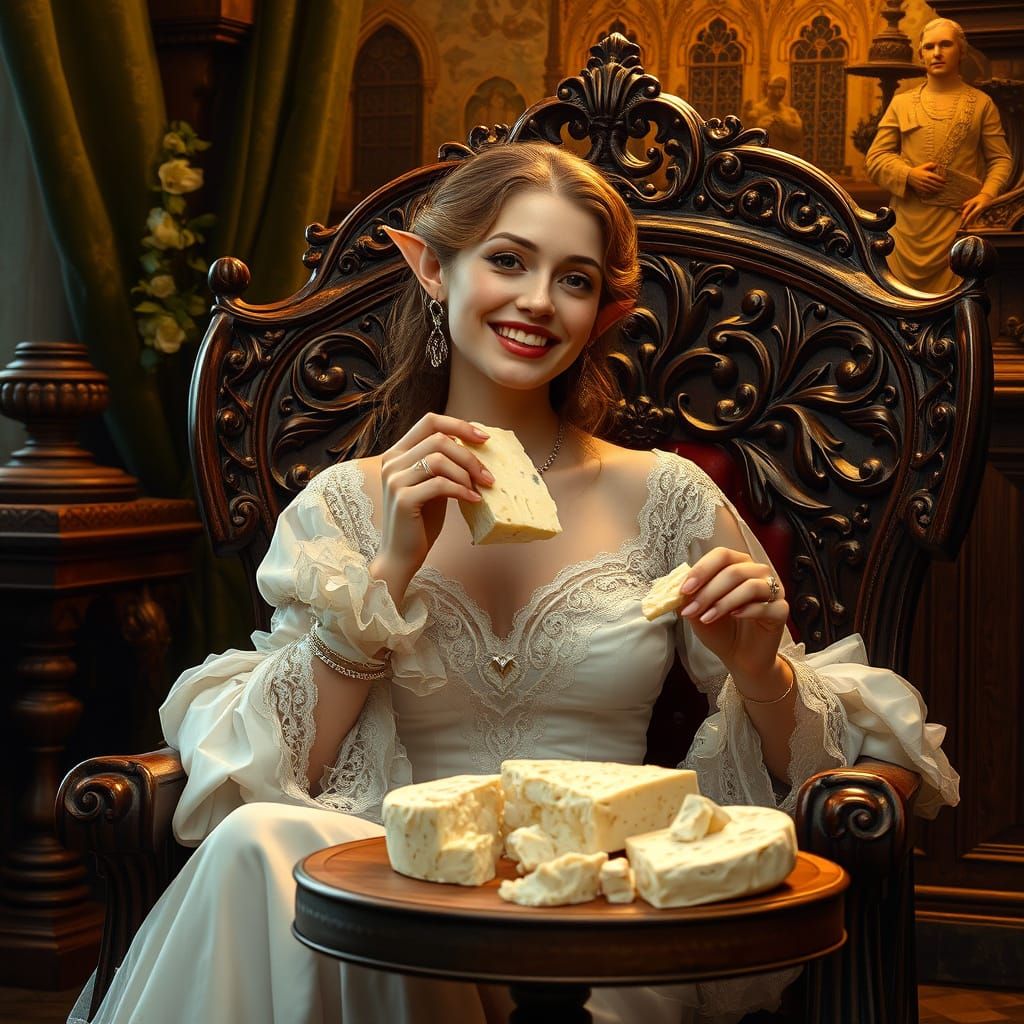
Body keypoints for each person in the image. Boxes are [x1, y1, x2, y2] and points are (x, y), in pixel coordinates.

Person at [71, 141, 959, 1024]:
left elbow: (806, 768)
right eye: (507, 260)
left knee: (288, 870)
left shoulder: (666, 497)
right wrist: (385, 578)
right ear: (431, 266)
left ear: (603, 311)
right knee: (266, 841)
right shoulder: (343, 508)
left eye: (574, 280)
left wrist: (761, 668)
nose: (538, 301)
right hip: (392, 900)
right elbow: (278, 773)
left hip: (589, 921)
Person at [865, 17, 1012, 292]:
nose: (937, 53)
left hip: (957, 228)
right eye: (929, 46)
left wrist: (986, 195)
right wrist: (908, 174)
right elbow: (875, 158)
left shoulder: (981, 104)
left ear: (961, 52)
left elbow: (1001, 159)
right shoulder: (902, 103)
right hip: (905, 232)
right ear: (921, 54)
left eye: (945, 45)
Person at [745, 75, 804, 158]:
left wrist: (783, 122)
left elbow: (798, 132)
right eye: (775, 88)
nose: (779, 92)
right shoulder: (757, 110)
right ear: (768, 89)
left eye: (782, 88)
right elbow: (747, 134)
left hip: (784, 157)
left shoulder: (790, 112)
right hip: (763, 157)